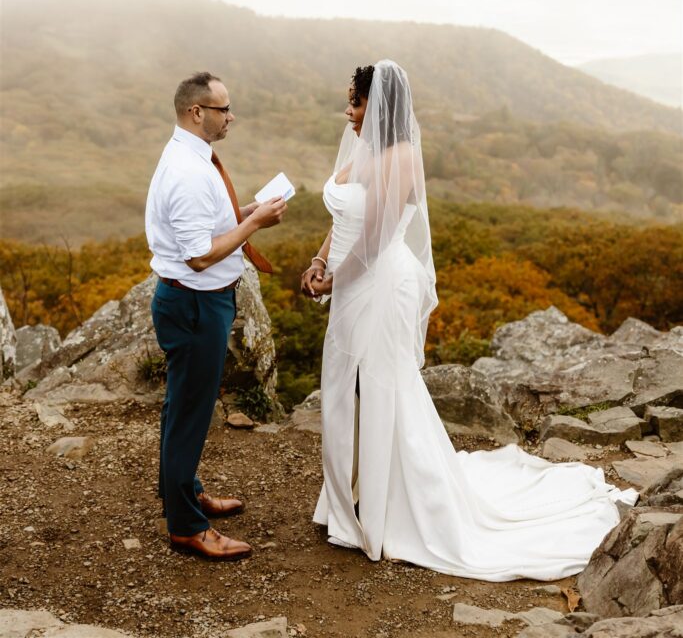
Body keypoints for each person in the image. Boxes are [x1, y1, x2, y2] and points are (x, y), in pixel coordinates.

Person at [300, 60, 638, 580]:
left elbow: (375, 236)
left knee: (385, 385)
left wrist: (335, 277)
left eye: (356, 102)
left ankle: (398, 508)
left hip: (378, 283)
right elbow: (343, 220)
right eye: (350, 101)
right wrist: (321, 261)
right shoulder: (362, 149)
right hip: (350, 281)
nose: (348, 111)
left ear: (381, 105)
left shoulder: (403, 158)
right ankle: (351, 497)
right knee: (349, 386)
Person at [146, 71, 286, 560]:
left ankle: (183, 490)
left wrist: (249, 210)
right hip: (195, 304)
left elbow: (208, 228)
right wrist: (252, 223)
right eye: (223, 109)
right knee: (190, 413)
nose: (231, 116)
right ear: (196, 112)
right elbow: (199, 255)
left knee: (184, 408)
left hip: (201, 302)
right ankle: (186, 525)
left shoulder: (193, 158)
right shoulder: (185, 171)